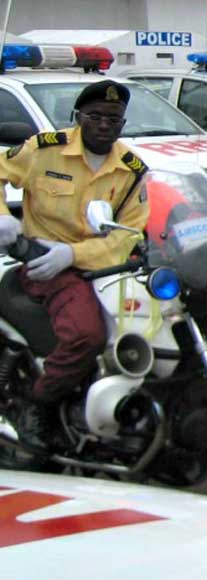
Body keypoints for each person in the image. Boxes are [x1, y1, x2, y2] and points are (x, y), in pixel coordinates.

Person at [0, 80, 149, 451]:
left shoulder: (131, 169)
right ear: (78, 117)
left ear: (122, 123)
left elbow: (131, 233)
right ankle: (40, 403)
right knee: (87, 336)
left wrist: (75, 254)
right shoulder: (44, 150)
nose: (104, 124)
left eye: (113, 118)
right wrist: (3, 218)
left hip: (105, 268)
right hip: (46, 266)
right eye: (95, 116)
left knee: (154, 330)